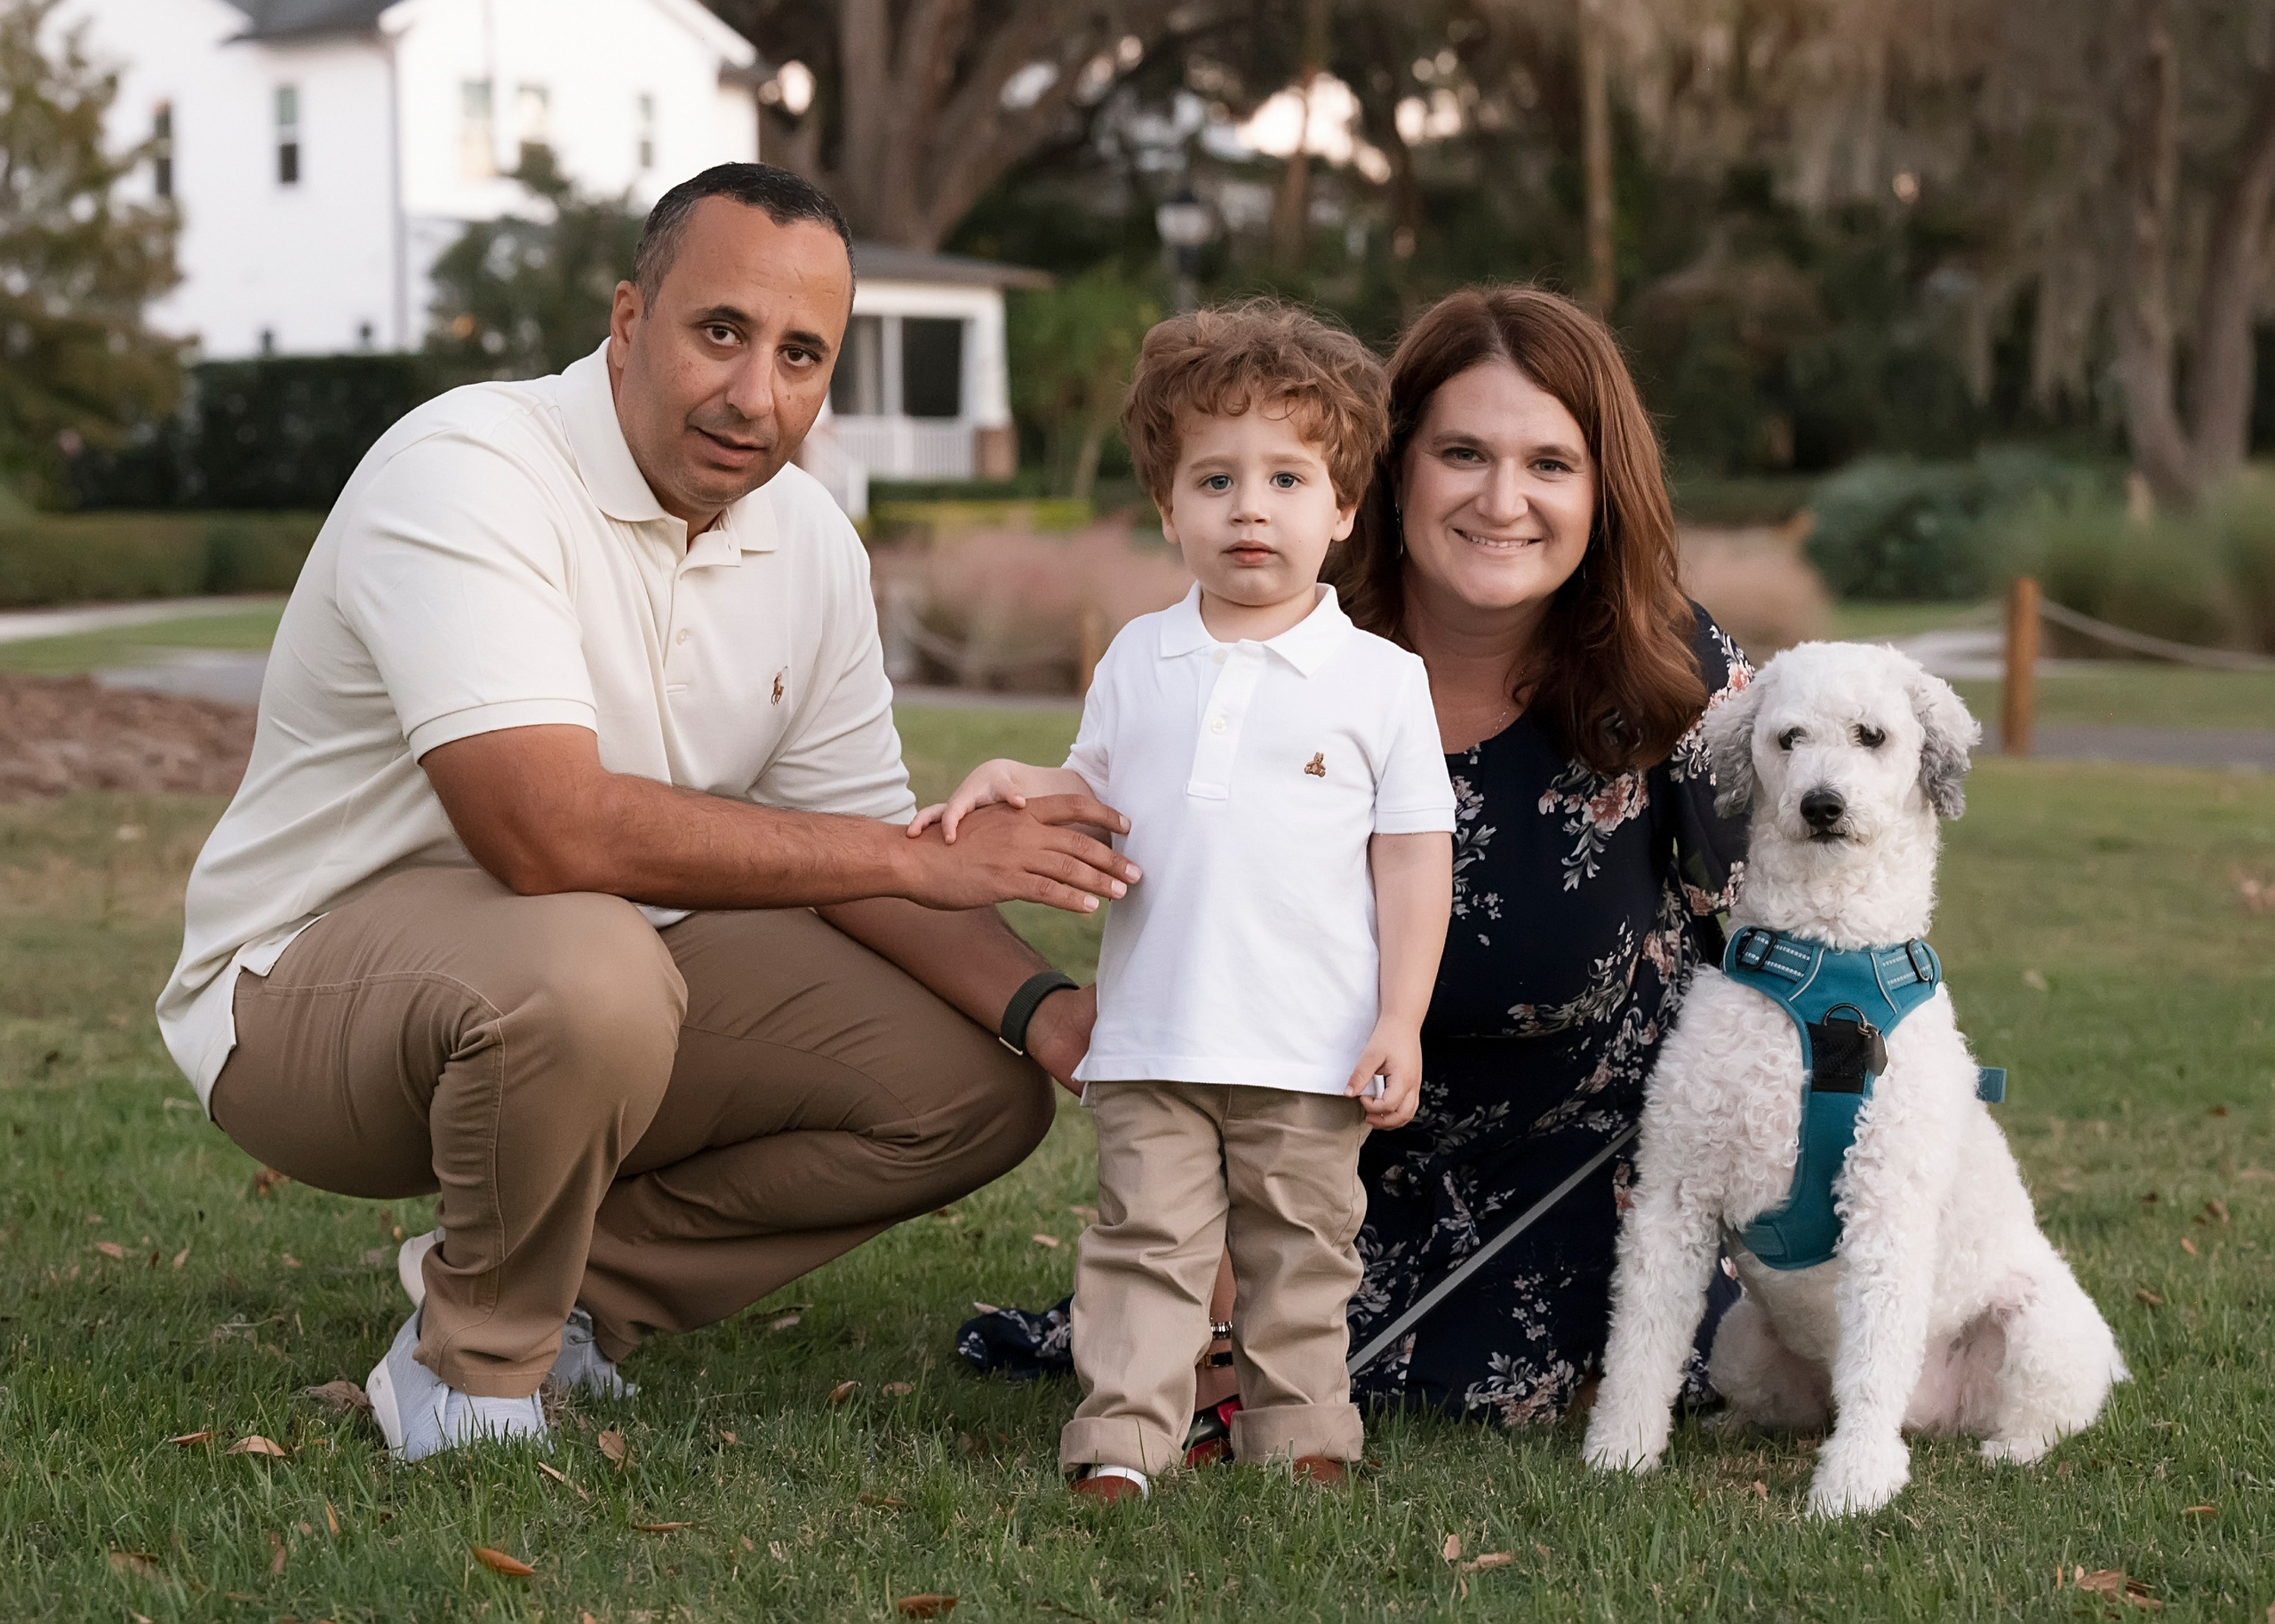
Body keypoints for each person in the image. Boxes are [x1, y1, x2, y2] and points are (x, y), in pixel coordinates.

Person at [155, 163, 1138, 1462]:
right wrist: (914, 861)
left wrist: (1054, 1018)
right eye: (720, 332)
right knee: (590, 960)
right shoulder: (470, 468)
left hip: (593, 983)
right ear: (628, 322)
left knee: (970, 1092)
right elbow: (544, 833)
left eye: (800, 355)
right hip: (299, 1001)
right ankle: (467, 1375)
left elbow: (862, 852)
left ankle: (570, 1297)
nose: (755, 394)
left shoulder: (810, 543)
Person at [916, 301, 1455, 1499]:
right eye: (1215, 480)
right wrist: (1026, 781)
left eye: (1286, 479)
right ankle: (1123, 1440)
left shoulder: (1380, 680)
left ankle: (1302, 1432)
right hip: (1153, 1036)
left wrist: (1399, 1019)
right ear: (1169, 508)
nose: (1249, 508)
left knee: (1301, 1253)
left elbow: (1415, 858)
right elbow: (1100, 791)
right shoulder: (1138, 655)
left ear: (1344, 508)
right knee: (1142, 1245)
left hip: (1310, 1045)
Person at [1329, 286, 1749, 1424]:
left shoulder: (1670, 665)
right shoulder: (1289, 655)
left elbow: (1790, 919)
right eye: (1462, 452)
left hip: (1598, 1187)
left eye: (1550, 464)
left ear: (1602, 490)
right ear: (1393, 465)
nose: (1502, 500)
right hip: (1324, 1177)